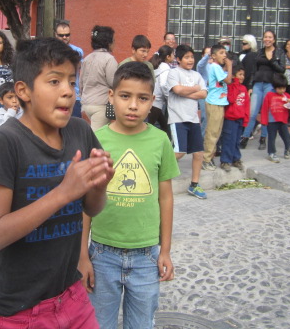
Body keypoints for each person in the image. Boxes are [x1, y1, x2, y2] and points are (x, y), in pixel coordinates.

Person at [0, 37, 114, 328]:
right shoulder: (7, 141)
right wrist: (63, 193)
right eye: (54, 81)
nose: (67, 91)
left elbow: (92, 208)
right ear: (23, 91)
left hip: (71, 295)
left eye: (71, 81)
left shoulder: (80, 130)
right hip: (20, 310)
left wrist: (99, 185)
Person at [78, 62, 178, 329]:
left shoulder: (160, 141)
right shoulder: (95, 140)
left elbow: (165, 198)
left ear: (152, 101)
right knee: (100, 324)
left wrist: (165, 250)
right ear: (111, 97)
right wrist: (82, 256)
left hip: (146, 256)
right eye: (125, 96)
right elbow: (86, 203)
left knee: (142, 324)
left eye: (142, 98)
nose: (133, 105)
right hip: (101, 254)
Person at [165, 44, 208, 199]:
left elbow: (203, 94)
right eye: (187, 57)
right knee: (179, 152)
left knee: (198, 153)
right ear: (178, 59)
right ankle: (156, 174)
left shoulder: (197, 75)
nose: (190, 60)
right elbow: (177, 90)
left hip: (193, 119)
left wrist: (188, 92)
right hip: (178, 118)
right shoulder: (173, 73)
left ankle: (194, 185)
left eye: (192, 57)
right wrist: (194, 89)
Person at [240, 30, 285, 151]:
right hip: (258, 84)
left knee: (266, 112)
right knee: (252, 112)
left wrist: (272, 60)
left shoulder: (279, 52)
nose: (267, 39)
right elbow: (254, 71)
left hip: (270, 84)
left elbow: (282, 69)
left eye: (270, 37)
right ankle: (245, 136)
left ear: (274, 40)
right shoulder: (259, 52)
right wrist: (250, 86)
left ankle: (263, 138)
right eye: (265, 37)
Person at [81, 25, 118, 130]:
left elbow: (81, 82)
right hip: (101, 104)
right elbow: (113, 82)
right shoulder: (109, 59)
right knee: (97, 139)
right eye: (113, 40)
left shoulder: (87, 58)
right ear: (108, 42)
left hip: (86, 103)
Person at [201, 44, 232, 171]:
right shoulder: (214, 66)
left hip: (218, 103)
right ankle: (205, 160)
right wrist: (229, 66)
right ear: (213, 56)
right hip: (214, 103)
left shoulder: (217, 67)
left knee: (216, 132)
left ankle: (210, 156)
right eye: (221, 53)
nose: (224, 55)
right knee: (212, 132)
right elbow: (228, 80)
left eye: (225, 52)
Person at [220, 65, 249, 171]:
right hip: (230, 119)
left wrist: (246, 119)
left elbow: (246, 105)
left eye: (243, 75)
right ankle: (225, 161)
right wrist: (235, 83)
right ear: (233, 76)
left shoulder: (244, 88)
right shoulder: (230, 87)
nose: (242, 77)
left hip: (240, 119)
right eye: (239, 75)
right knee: (228, 140)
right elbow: (231, 99)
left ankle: (236, 159)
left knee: (236, 140)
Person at [261, 73, 290, 163]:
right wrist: (264, 121)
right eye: (280, 88)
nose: (282, 90)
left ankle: (287, 149)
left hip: (283, 120)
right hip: (272, 121)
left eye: (284, 88)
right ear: (274, 87)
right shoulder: (269, 95)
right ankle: (271, 153)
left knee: (286, 136)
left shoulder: (286, 95)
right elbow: (264, 109)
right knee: (272, 137)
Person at [55, 21, 85, 118]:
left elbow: (82, 71)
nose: (64, 37)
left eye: (67, 35)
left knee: (75, 124)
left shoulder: (77, 51)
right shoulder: (50, 52)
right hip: (55, 95)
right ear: (56, 35)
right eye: (61, 35)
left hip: (74, 95)